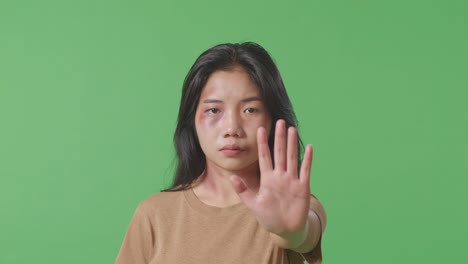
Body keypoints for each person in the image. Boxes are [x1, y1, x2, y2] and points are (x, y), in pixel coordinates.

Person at [115, 42, 327, 264]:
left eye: (250, 110)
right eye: (214, 110)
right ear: (192, 120)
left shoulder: (292, 205)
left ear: (273, 119)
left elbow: (302, 234)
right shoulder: (153, 214)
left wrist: (291, 232)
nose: (232, 129)